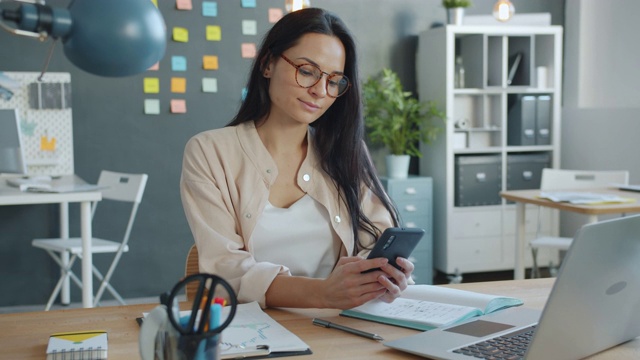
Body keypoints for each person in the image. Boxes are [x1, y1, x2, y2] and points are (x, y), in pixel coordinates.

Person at [180, 8, 414, 310]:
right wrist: (322, 294)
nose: (319, 91)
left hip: (341, 327)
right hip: (256, 331)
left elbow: (378, 239)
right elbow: (225, 268)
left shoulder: (347, 152)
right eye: (306, 71)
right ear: (267, 64)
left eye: (334, 81)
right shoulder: (210, 152)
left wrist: (384, 276)